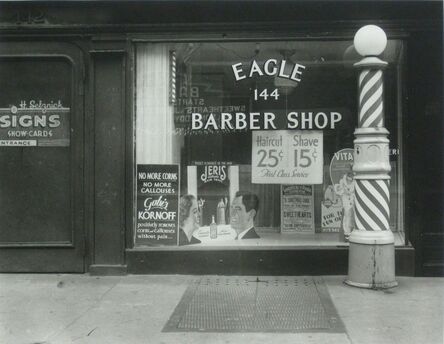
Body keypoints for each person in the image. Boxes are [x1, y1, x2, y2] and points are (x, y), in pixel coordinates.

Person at [334, 172, 355, 241]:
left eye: (351, 179)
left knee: (354, 216)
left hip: (354, 200)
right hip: (346, 201)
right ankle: (347, 233)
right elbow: (338, 191)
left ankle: (354, 232)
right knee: (347, 216)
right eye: (349, 179)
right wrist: (343, 191)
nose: (350, 180)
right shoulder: (342, 182)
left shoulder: (355, 181)